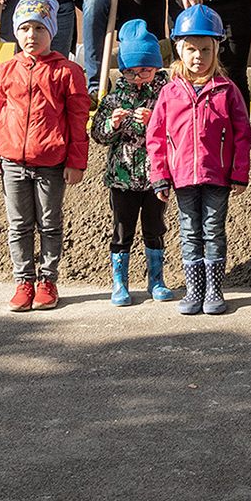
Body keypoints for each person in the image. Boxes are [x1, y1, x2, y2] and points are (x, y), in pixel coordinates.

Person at [0, 0, 89, 313]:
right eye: (25, 28)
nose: (31, 35)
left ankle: (48, 281)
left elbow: (78, 119)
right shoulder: (5, 71)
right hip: (12, 162)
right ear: (15, 31)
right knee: (18, 225)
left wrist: (76, 162)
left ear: (51, 31)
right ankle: (23, 281)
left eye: (39, 28)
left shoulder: (67, 72)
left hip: (51, 163)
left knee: (50, 223)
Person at [147, 3, 251, 317]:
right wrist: (160, 175)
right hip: (181, 177)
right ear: (179, 49)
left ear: (216, 50)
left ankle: (214, 290)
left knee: (213, 230)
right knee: (189, 231)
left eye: (206, 49)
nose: (198, 57)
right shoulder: (169, 92)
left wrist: (239, 172)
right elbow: (156, 137)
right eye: (191, 49)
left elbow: (243, 133)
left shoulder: (227, 90)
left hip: (217, 176)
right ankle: (194, 290)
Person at [89, 19, 173, 306]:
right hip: (121, 178)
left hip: (155, 176)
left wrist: (154, 122)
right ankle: (119, 282)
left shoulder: (166, 94)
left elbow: (175, 129)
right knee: (122, 229)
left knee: (155, 227)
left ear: (157, 67)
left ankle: (157, 279)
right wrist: (112, 125)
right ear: (122, 70)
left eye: (146, 70)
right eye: (131, 71)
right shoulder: (113, 98)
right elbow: (97, 135)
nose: (138, 77)